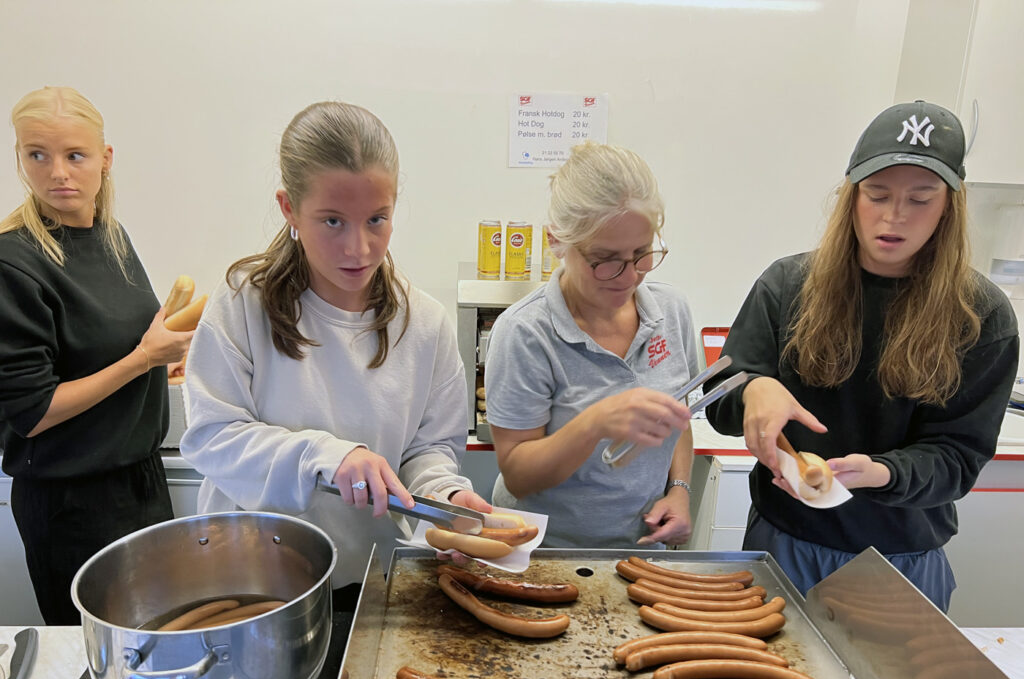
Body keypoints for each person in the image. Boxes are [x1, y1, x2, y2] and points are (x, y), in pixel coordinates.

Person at [705, 100, 1019, 611]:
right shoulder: (788, 285)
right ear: (850, 197)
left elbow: (957, 459)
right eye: (877, 195)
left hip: (900, 559)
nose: (894, 216)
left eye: (920, 199)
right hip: (783, 542)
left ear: (949, 207)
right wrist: (752, 388)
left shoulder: (981, 317)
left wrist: (882, 472)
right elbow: (719, 402)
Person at [179, 101, 489, 604]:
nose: (359, 248)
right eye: (332, 221)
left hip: (374, 582)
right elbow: (213, 438)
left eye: (376, 219)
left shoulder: (424, 323)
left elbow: (428, 451)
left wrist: (445, 498)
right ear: (289, 208)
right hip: (255, 586)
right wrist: (325, 454)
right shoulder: (243, 301)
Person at [0, 86, 193, 624]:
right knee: (101, 669)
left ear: (105, 160)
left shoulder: (111, 237)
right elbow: (33, 412)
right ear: (20, 158)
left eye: (74, 155)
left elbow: (109, 344)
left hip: (140, 481)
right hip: (71, 505)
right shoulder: (13, 263)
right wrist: (140, 362)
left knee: (157, 651)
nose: (58, 172)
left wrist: (163, 363)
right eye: (37, 154)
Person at [484, 142, 700, 549]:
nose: (628, 276)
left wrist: (680, 490)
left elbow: (679, 414)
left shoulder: (672, 311)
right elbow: (518, 473)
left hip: (641, 546)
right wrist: (594, 423)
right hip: (545, 550)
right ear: (557, 243)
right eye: (605, 259)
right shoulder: (525, 333)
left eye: (641, 253)